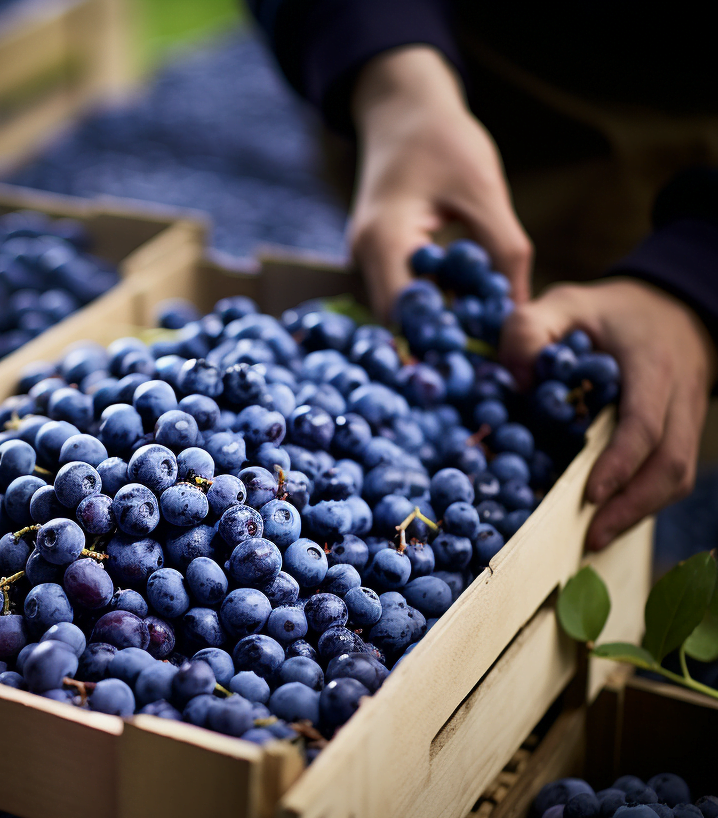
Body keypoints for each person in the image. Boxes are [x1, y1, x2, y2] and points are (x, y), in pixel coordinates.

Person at [248, 1, 718, 550]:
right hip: (438, 70)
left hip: (687, 155)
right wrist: (393, 77)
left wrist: (694, 275)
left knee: (659, 434)